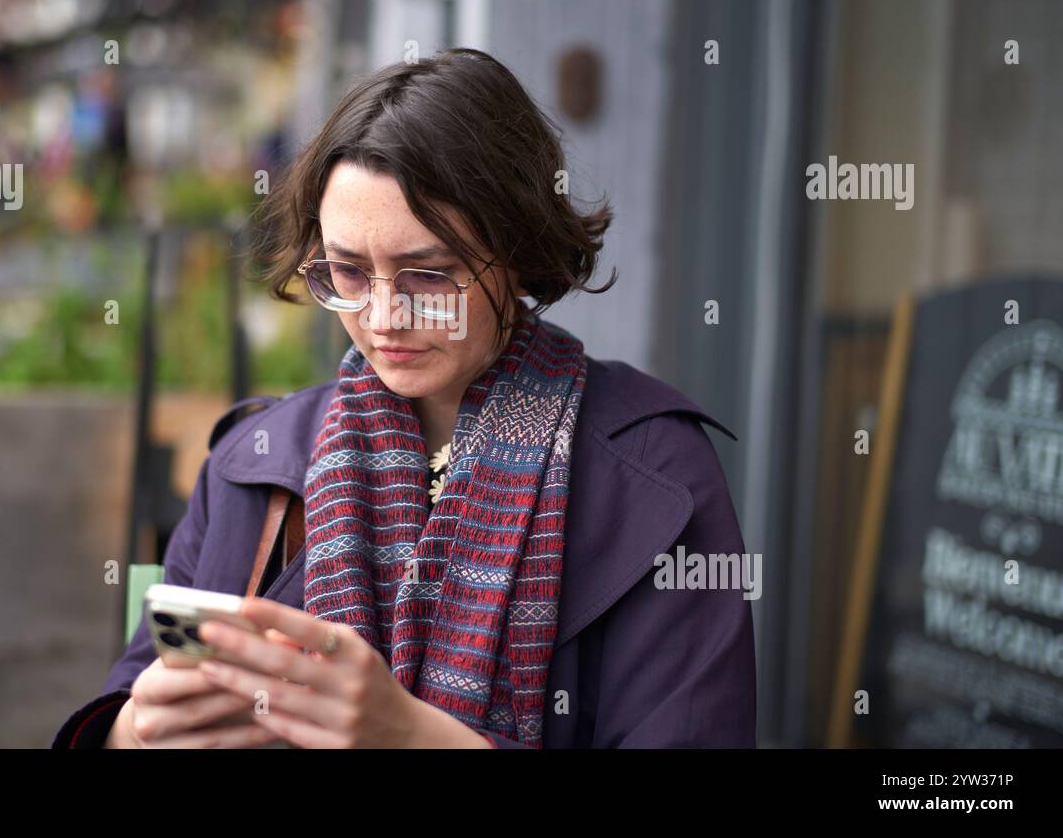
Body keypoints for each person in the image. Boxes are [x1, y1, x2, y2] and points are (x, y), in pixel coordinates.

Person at [52, 48, 756, 749]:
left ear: (518, 253)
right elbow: (133, 693)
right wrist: (140, 731)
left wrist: (410, 738)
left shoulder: (655, 473)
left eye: (428, 274)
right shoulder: (253, 460)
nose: (384, 318)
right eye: (347, 272)